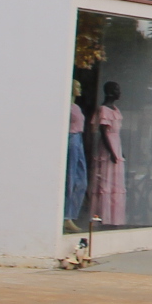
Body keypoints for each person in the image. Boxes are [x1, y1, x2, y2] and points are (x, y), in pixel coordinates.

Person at [91, 82, 127, 226]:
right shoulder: (103, 110)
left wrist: (119, 151)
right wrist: (112, 151)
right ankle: (103, 216)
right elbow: (104, 133)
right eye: (117, 89)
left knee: (115, 183)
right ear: (110, 92)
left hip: (115, 146)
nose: (119, 92)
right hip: (108, 149)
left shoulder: (115, 110)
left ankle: (114, 217)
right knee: (106, 181)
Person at [64, 84, 90, 228]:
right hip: (71, 138)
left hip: (78, 139)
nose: (79, 89)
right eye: (77, 87)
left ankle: (71, 213)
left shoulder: (76, 107)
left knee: (81, 180)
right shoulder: (66, 107)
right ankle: (66, 217)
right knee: (70, 178)